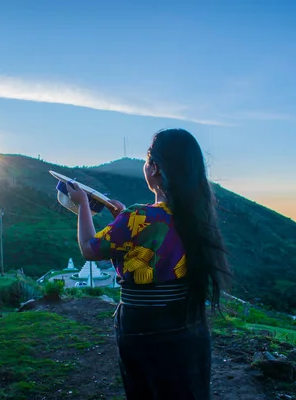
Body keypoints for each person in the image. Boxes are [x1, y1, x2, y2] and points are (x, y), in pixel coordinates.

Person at [67, 128, 231, 400]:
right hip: (189, 325)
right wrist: (121, 218)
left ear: (154, 168)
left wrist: (82, 204)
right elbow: (157, 246)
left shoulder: (138, 217)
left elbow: (88, 248)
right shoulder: (198, 215)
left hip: (144, 328)